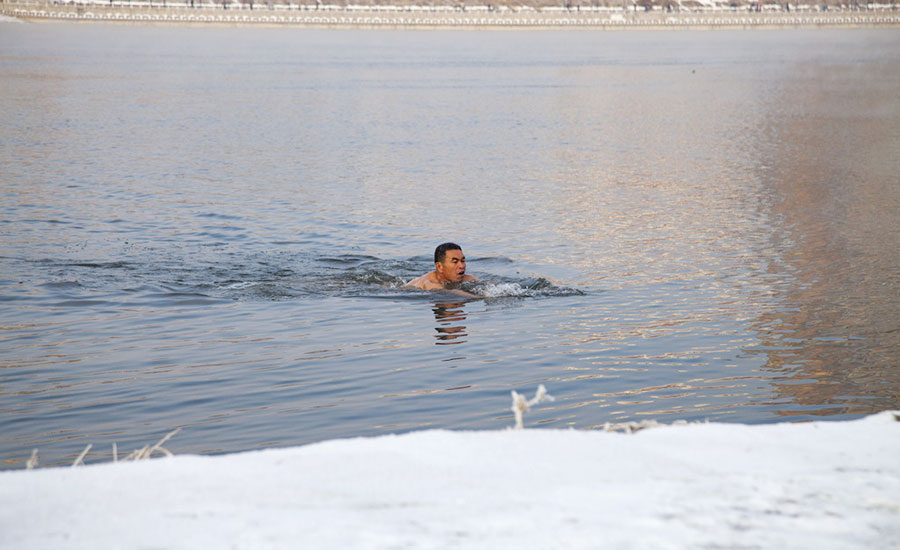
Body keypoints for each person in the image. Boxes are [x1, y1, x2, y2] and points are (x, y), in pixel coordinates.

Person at [406, 243, 479, 292]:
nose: (461, 266)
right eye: (455, 262)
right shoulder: (430, 284)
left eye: (462, 261)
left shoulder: (468, 278)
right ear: (439, 266)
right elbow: (451, 293)